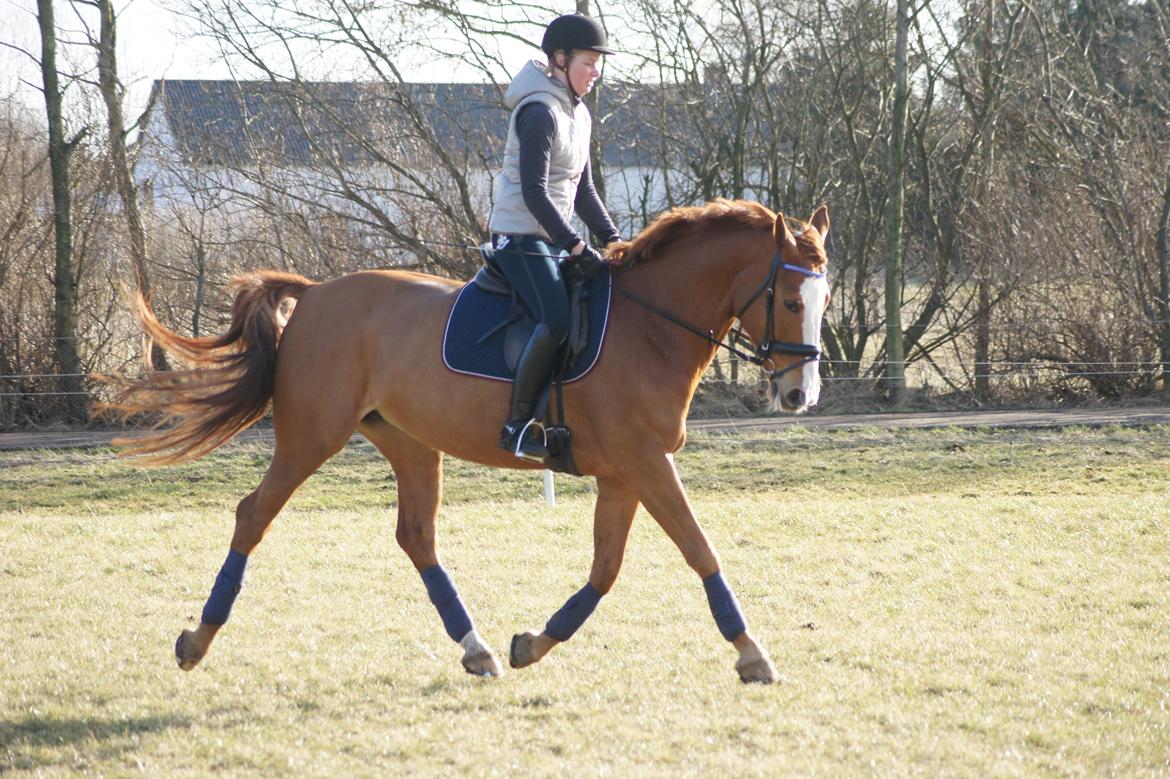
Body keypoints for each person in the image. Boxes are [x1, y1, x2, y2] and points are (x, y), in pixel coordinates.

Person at [488, 12, 623, 461]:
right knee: (558, 319)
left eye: (598, 63)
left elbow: (582, 189)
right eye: (589, 62)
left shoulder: (578, 113)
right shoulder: (540, 111)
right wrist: (576, 246)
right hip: (519, 236)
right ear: (560, 60)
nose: (596, 71)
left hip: (551, 238)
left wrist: (612, 238)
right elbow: (535, 192)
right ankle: (518, 425)